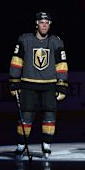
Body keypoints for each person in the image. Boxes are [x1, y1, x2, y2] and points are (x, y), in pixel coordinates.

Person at [9, 12, 68, 158]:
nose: (44, 25)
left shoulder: (56, 41)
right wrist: (14, 81)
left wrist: (61, 84)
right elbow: (16, 61)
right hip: (29, 84)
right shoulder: (25, 39)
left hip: (49, 85)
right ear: (36, 24)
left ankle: (46, 144)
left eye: (47, 23)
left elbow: (61, 64)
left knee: (49, 116)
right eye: (42, 22)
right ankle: (21, 145)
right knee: (26, 116)